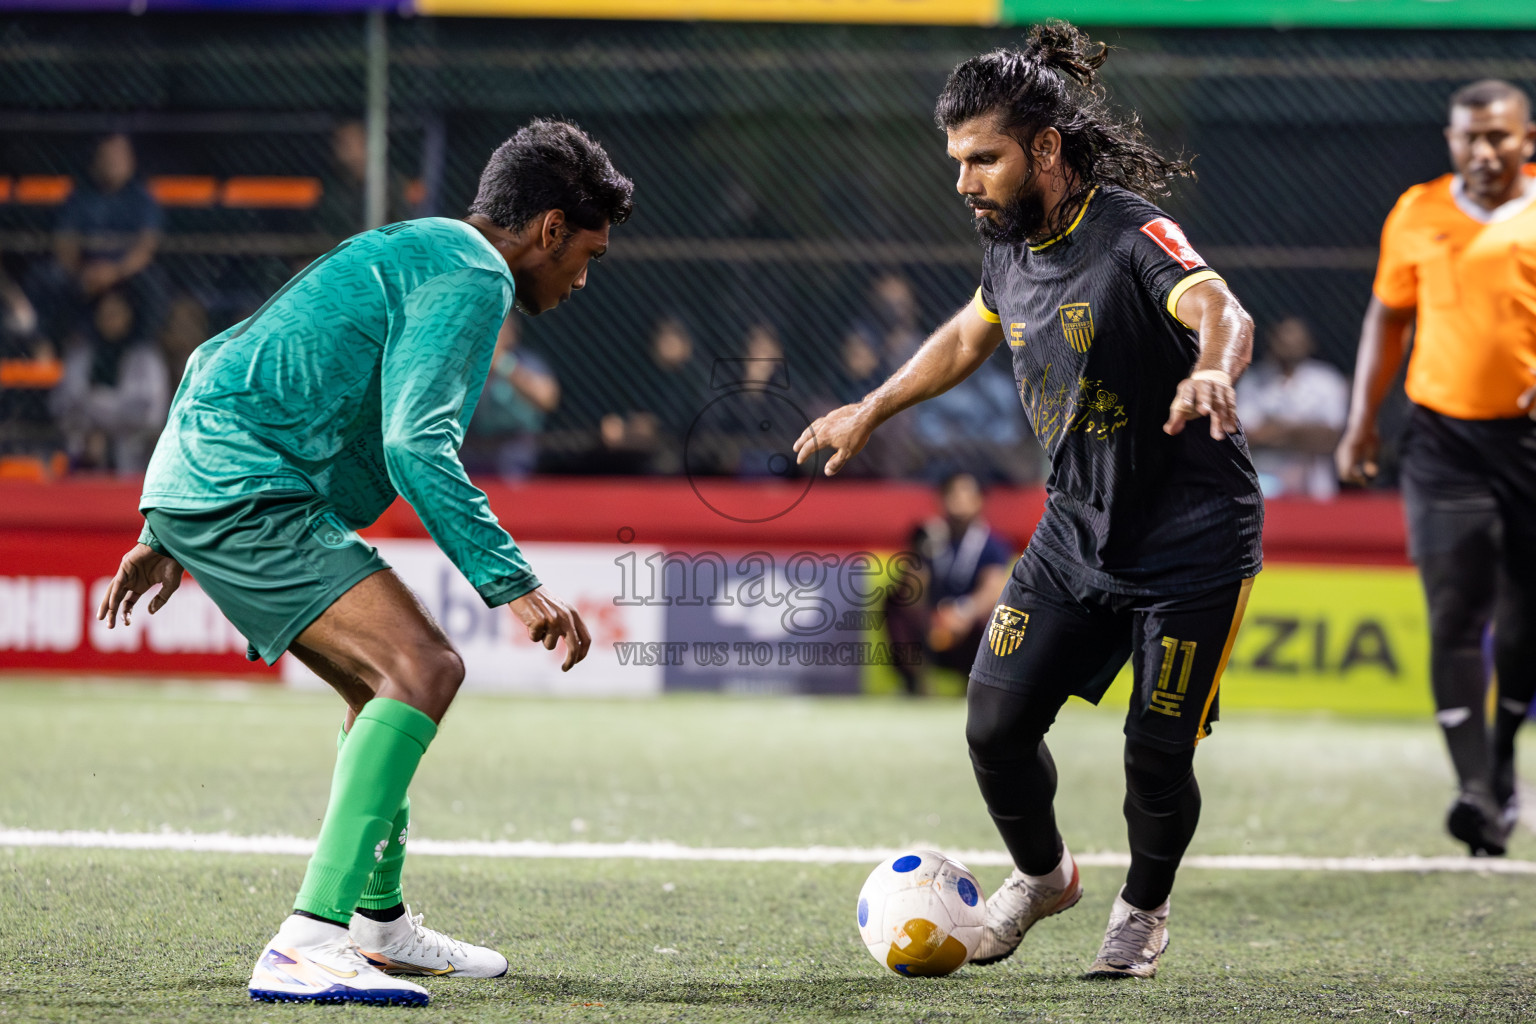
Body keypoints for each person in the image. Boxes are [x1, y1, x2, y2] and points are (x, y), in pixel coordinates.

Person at [96, 119, 633, 1006]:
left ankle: (377, 927)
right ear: (546, 230)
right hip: (246, 485)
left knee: (379, 684)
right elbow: (417, 445)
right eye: (588, 253)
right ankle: (308, 939)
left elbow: (213, 353)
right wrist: (516, 586)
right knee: (425, 666)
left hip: (219, 475)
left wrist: (164, 522)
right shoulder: (473, 276)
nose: (582, 277)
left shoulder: (415, 246)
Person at [796, 22, 1261, 980]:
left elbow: (1222, 307)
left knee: (1156, 757)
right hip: (1075, 532)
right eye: (958, 160)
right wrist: (871, 409)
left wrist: (1212, 371)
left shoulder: (1131, 234)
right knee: (994, 728)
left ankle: (1141, 911)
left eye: (984, 159)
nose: (965, 181)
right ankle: (1046, 878)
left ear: (1044, 149)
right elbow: (970, 335)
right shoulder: (1008, 243)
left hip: (1193, 544)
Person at [1336, 79, 1536, 858]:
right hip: (1443, 441)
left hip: (1528, 445)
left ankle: (1503, 754)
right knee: (1456, 610)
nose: (1483, 152)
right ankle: (1475, 793)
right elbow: (1388, 316)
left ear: (1528, 138)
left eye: (1499, 137)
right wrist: (1361, 423)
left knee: (1524, 619)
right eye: (1468, 139)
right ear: (1450, 140)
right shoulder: (1417, 210)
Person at [884, 472, 1013, 695]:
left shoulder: (992, 544)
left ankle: (977, 684)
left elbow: (993, 588)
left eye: (966, 493)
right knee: (895, 603)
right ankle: (914, 683)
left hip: (967, 626)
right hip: (932, 625)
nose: (959, 499)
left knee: (995, 617)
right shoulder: (930, 537)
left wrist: (963, 613)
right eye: (952, 493)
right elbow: (911, 589)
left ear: (979, 501)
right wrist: (921, 552)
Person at [38, 134, 163, 340]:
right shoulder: (81, 196)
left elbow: (146, 245)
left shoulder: (141, 198)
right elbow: (64, 241)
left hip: (127, 271)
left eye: (119, 156)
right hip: (85, 269)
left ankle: (145, 344)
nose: (114, 162)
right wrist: (81, 270)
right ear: (96, 160)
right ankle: (48, 343)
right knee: (50, 277)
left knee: (153, 283)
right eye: (108, 156)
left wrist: (116, 271)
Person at [51, 288, 169, 473]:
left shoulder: (146, 357)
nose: (109, 320)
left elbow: (151, 413)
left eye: (115, 314)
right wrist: (89, 432)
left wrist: (96, 404)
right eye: (104, 314)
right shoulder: (81, 354)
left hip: (132, 453)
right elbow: (63, 403)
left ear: (129, 316)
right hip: (85, 449)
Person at [1236, 316, 1349, 499]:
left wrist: (1275, 429)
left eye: (1296, 337)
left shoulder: (1327, 381)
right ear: (1272, 340)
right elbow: (1245, 438)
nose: (1289, 343)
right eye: (1284, 337)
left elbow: (1329, 439)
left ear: (1309, 342)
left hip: (1315, 491)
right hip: (1263, 489)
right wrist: (1304, 431)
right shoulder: (1253, 380)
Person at [461, 313, 560, 480]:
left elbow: (547, 398)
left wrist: (502, 363)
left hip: (516, 462)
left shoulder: (527, 362)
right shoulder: (465, 365)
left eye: (498, 328)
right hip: (470, 461)